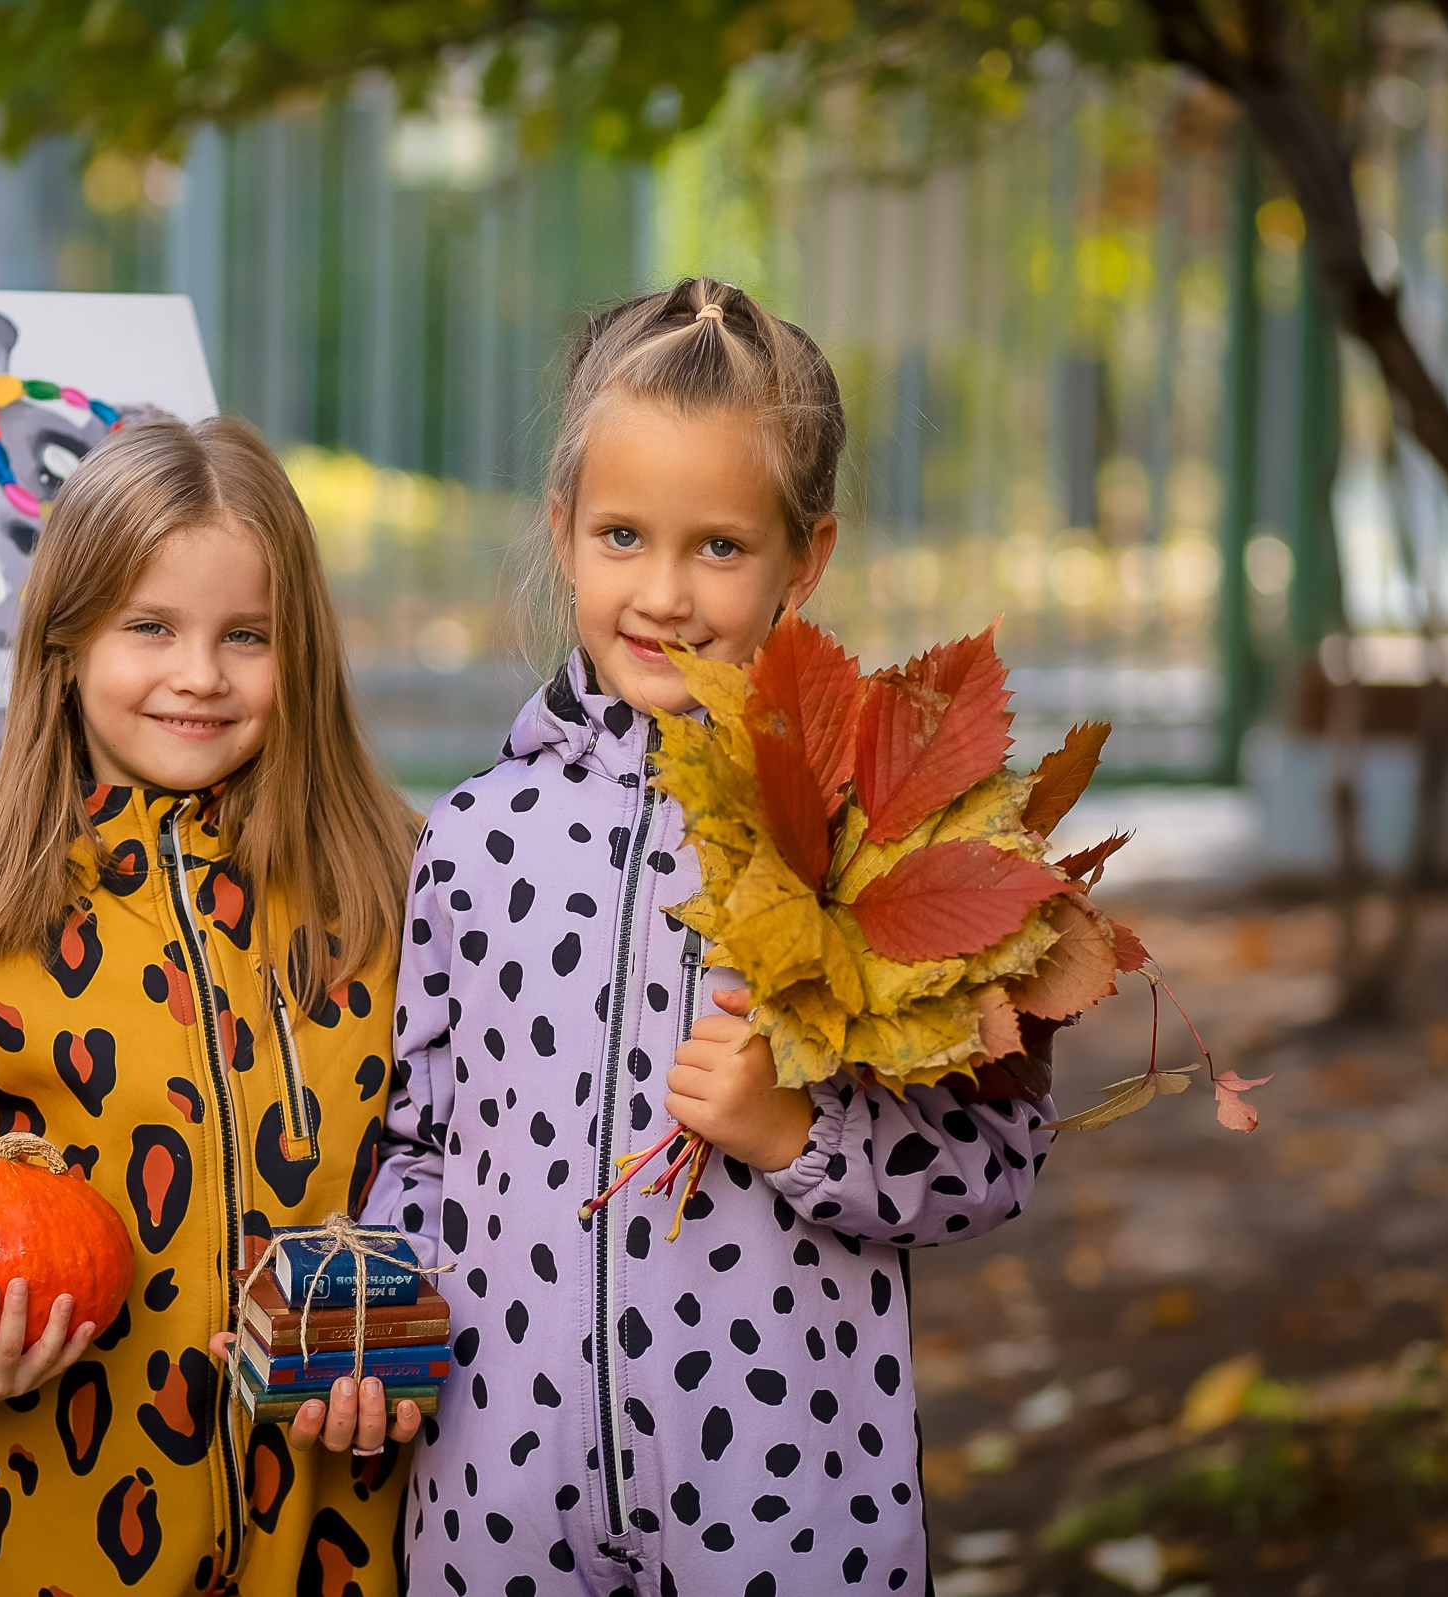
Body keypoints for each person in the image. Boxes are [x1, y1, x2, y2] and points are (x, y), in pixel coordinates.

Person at [365, 279, 1056, 1595]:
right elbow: (420, 1142)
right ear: (562, 530)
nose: (666, 594)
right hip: (499, 1500)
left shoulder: (879, 840)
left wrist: (804, 1135)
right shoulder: (474, 842)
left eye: (721, 548)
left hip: (792, 1506)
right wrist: (371, 1335)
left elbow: (999, 1156)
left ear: (811, 555)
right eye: (623, 535)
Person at [0, 415, 423, 1596]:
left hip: (333, 1520)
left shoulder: (378, 886)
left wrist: (401, 1332)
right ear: (65, 642)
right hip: (60, 1521)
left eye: (246, 635)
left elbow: (443, 1151)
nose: (200, 673)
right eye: (150, 627)